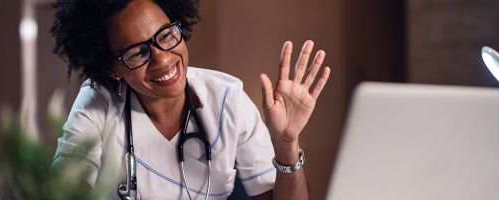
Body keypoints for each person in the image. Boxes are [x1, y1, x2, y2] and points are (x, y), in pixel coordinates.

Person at [49, 0, 331, 199]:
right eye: (137, 52)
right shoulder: (96, 104)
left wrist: (285, 144)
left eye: (166, 35)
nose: (162, 59)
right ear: (112, 68)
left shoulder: (227, 101)